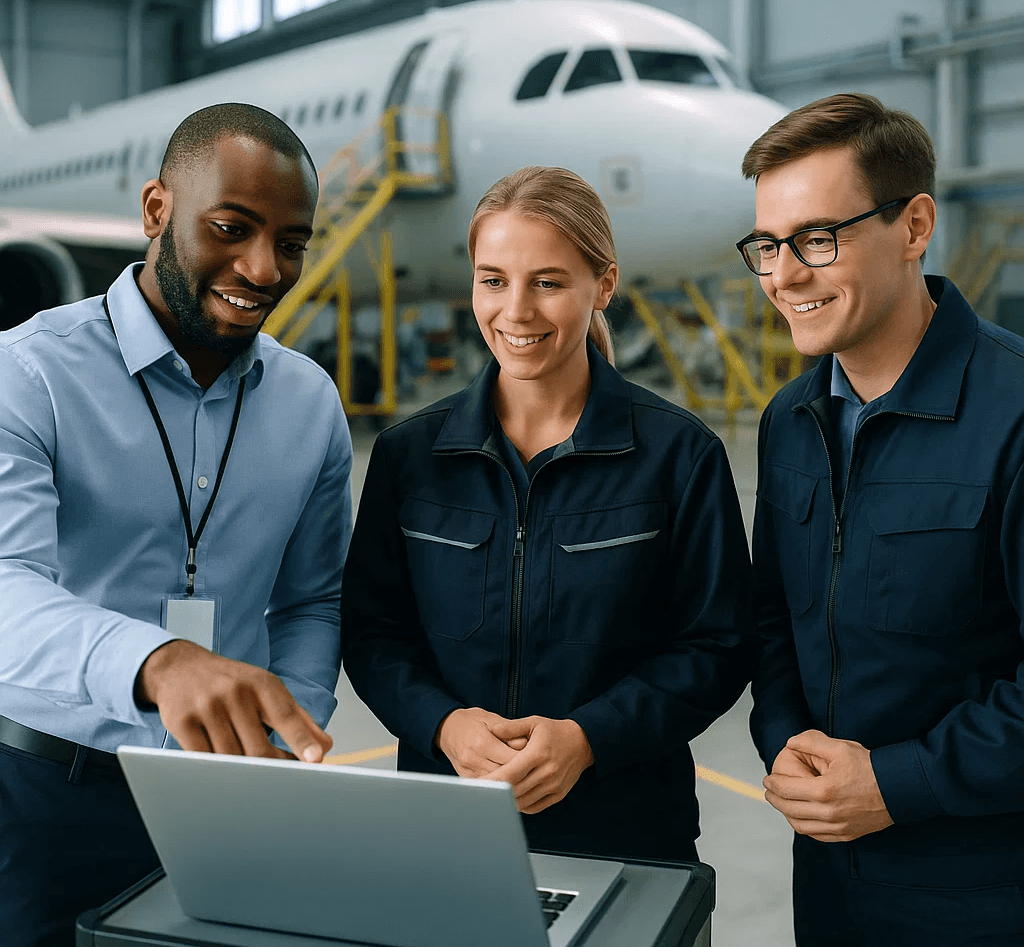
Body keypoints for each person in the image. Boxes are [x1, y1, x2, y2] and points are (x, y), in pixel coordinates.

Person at [0, 103, 353, 946]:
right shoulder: (30, 372)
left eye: (293, 242)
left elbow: (313, 601)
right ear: (157, 211)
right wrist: (157, 662)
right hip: (45, 794)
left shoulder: (311, 403)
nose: (264, 268)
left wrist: (284, 731)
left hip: (229, 801)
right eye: (231, 229)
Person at [341, 165, 753, 862]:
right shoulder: (410, 457)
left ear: (605, 284)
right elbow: (373, 633)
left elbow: (717, 645)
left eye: (549, 282)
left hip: (627, 831)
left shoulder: (679, 455)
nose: (517, 311)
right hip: (447, 827)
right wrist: (442, 726)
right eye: (493, 279)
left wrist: (589, 738)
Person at [741, 93, 1024, 945]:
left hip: (983, 891)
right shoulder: (791, 419)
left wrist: (895, 785)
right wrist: (786, 743)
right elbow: (772, 624)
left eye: (818, 239)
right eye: (767, 245)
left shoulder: (1013, 415)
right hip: (829, 877)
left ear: (914, 226)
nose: (785, 276)